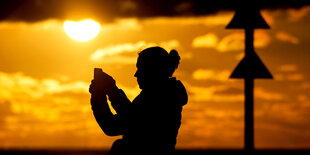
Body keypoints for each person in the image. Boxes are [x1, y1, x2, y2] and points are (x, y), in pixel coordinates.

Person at [89, 47, 188, 154]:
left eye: (140, 68)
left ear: (152, 70)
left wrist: (109, 91)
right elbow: (121, 121)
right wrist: (102, 94)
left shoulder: (161, 97)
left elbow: (122, 123)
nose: (136, 74)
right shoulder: (160, 95)